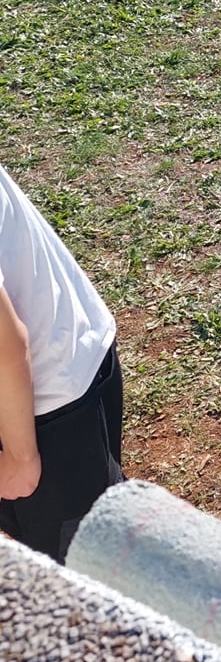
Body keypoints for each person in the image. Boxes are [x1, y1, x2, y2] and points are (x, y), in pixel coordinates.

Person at [0, 163, 124, 564]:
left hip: (41, 405)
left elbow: (5, 345)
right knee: (102, 524)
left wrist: (20, 455)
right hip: (71, 350)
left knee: (88, 562)